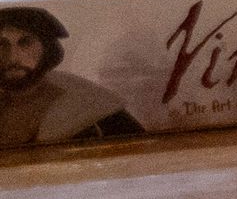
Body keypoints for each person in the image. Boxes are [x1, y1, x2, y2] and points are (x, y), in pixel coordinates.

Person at [0, 8, 141, 149]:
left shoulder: (97, 112)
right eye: (2, 44)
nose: (13, 57)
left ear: (46, 48)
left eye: (25, 43)